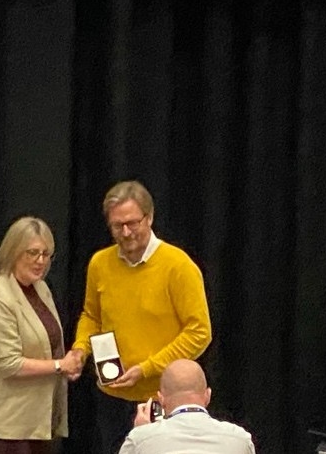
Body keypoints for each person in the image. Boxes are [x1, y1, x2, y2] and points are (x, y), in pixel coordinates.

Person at [72, 181, 212, 454]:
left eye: (132, 223)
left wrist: (147, 368)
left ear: (149, 218)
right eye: (117, 226)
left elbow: (199, 332)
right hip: (111, 396)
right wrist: (80, 349)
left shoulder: (178, 265)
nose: (126, 232)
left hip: (163, 399)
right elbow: (91, 315)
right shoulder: (99, 263)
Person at [0, 216, 80, 454]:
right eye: (32, 253)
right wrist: (60, 366)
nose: (40, 261)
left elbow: (49, 345)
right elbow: (8, 364)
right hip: (6, 428)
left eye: (46, 254)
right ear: (13, 251)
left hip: (38, 423)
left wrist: (68, 365)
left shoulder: (41, 288)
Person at [119, 360, 254, 454]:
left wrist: (142, 432)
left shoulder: (139, 439)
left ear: (161, 399)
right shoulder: (241, 440)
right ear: (208, 395)